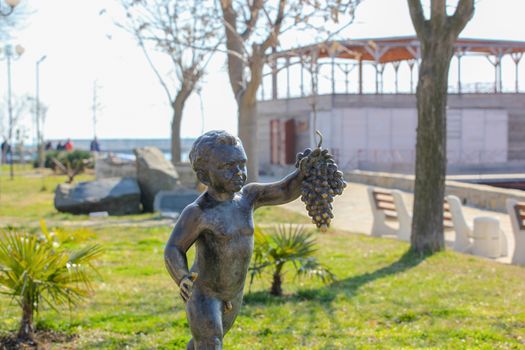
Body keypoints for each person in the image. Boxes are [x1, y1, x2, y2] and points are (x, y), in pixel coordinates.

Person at [164, 130, 309, 350]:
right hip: (204, 293)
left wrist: (304, 173)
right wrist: (182, 276)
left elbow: (285, 190)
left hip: (234, 293)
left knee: (203, 343)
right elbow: (174, 248)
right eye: (228, 167)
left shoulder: (249, 198)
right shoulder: (198, 212)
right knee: (211, 343)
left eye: (242, 164)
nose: (239, 172)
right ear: (204, 176)